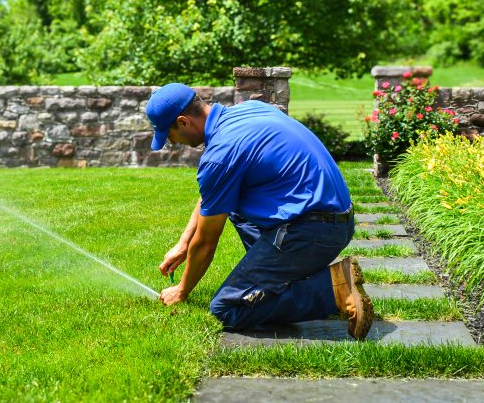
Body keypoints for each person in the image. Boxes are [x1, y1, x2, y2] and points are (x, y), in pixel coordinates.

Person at [145, 82, 373, 339]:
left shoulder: (221, 154)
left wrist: (182, 290)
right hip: (335, 220)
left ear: (183, 122)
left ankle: (333, 290)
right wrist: (183, 243)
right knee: (232, 205)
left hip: (312, 231)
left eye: (169, 134)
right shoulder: (249, 110)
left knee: (226, 309)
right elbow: (212, 195)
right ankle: (276, 279)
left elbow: (207, 242)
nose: (172, 143)